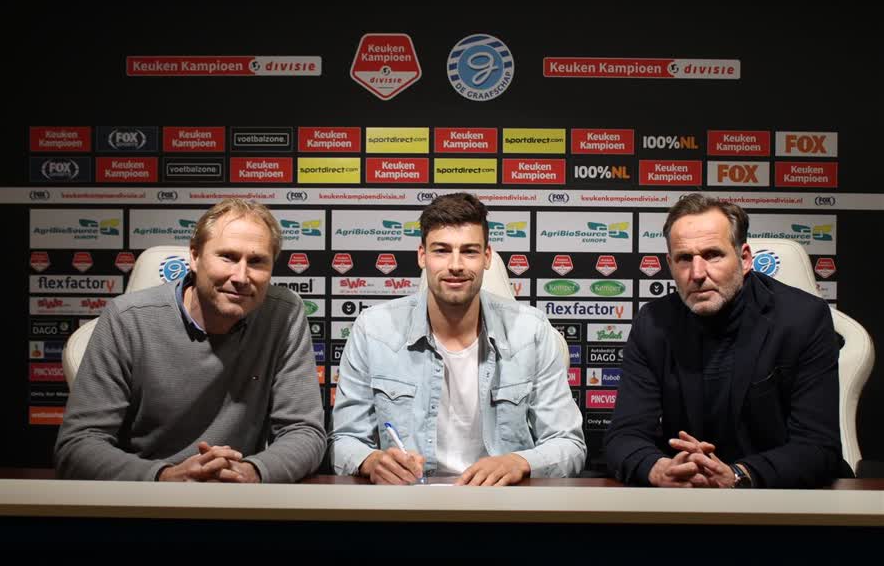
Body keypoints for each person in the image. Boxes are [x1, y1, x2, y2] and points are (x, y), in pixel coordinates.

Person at [55, 199, 326, 482]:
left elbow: (304, 432)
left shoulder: (284, 314)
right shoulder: (127, 318)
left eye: (257, 261)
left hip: (241, 494)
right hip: (147, 497)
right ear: (194, 257)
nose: (241, 277)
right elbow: (78, 445)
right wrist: (166, 477)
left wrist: (250, 472)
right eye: (228, 257)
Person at [329, 192, 586, 485]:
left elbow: (569, 444)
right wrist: (371, 461)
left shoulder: (531, 331)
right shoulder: (373, 330)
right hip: (407, 501)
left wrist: (520, 462)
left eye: (469, 251)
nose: (455, 265)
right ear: (422, 256)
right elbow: (344, 440)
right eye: (441, 250)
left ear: (487, 257)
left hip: (503, 501)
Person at [605, 193, 848, 488]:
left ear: (744, 259)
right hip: (684, 498)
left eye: (712, 255)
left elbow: (818, 447)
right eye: (684, 259)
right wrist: (659, 469)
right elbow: (623, 436)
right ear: (670, 264)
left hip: (778, 498)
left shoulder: (802, 319)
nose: (697, 274)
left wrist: (737, 475)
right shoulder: (653, 323)